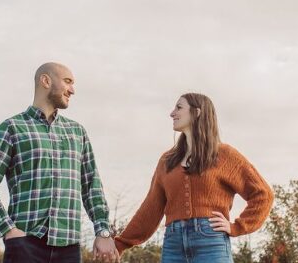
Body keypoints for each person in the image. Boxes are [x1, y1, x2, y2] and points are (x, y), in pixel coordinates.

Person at [0, 62, 119, 263]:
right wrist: (7, 229)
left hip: (68, 247)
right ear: (46, 81)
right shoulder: (12, 128)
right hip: (24, 244)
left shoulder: (77, 132)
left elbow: (91, 186)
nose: (72, 90)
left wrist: (103, 231)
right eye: (67, 82)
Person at [114, 93, 274, 262]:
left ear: (197, 112)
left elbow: (263, 194)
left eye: (179, 107)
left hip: (211, 243)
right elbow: (150, 209)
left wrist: (237, 227)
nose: (172, 113)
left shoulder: (225, 155)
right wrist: (121, 243)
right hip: (173, 245)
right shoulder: (167, 161)